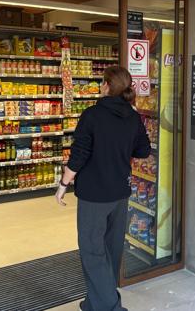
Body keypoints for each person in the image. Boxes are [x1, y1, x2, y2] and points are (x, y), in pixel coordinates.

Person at [56, 66, 151, 311]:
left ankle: (110, 306)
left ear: (107, 85)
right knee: (111, 248)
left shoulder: (92, 115)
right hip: (120, 192)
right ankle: (94, 302)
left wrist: (63, 184)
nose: (100, 85)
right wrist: (122, 146)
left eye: (102, 82)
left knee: (92, 250)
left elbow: (79, 154)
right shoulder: (133, 116)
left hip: (94, 195)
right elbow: (143, 150)